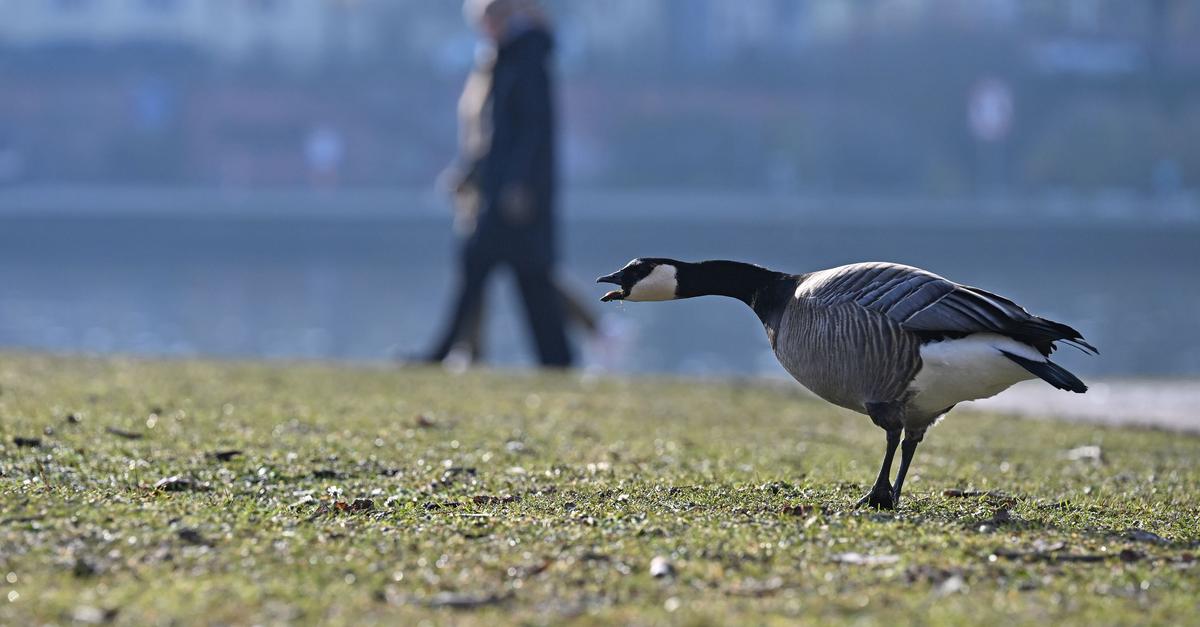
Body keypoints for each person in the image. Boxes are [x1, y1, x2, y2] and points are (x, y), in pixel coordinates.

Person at [416, 0, 574, 368]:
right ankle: (558, 361)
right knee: (530, 280)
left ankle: (444, 353)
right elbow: (496, 134)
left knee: (484, 266)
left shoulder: (526, 58)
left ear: (501, 17)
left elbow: (532, 130)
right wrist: (471, 172)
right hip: (506, 190)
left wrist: (518, 183)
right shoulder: (512, 57)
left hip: (516, 195)